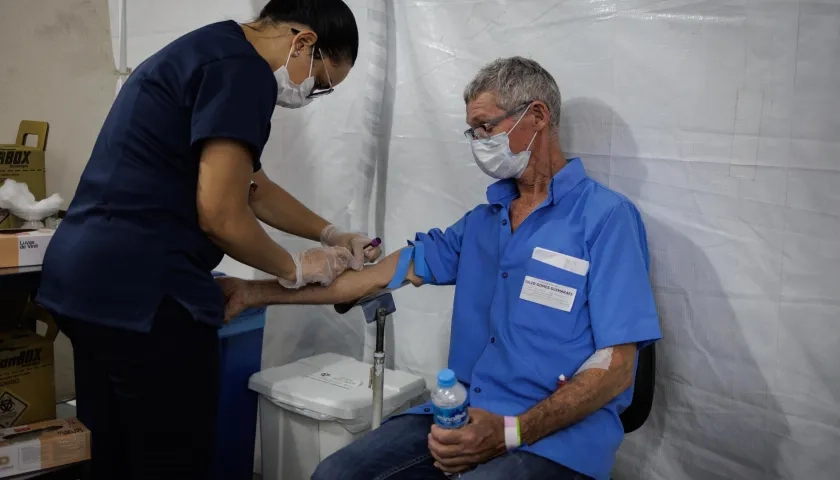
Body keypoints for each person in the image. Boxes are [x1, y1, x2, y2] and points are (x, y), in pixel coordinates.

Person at [219, 57, 663, 480]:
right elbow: (366, 279)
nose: (479, 143)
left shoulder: (605, 219)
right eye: (472, 132)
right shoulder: (481, 224)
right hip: (461, 413)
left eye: (486, 126)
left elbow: (619, 367)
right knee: (336, 473)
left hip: (557, 437)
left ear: (538, 116)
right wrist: (254, 293)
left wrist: (512, 431)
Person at [35, 1, 381, 478]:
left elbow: (253, 188)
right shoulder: (244, 72)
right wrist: (295, 269)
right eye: (321, 83)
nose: (310, 94)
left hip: (83, 284)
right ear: (303, 43)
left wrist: (331, 232)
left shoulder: (208, 50)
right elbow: (221, 213)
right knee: (174, 459)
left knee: (113, 448)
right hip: (143, 297)